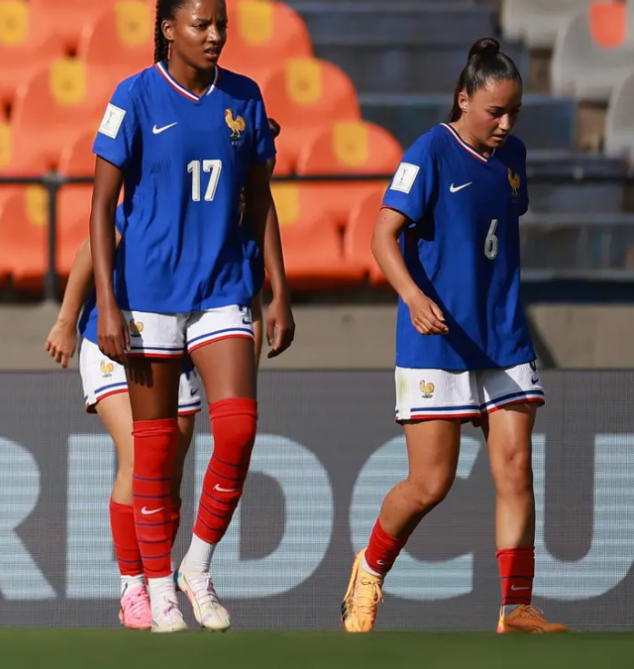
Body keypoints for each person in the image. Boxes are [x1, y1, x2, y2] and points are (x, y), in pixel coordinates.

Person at [340, 38, 567, 635]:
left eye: (514, 111)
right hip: (437, 339)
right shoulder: (429, 151)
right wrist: (414, 297)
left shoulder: (512, 155)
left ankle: (515, 607)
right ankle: (368, 571)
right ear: (463, 100)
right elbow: (383, 236)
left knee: (516, 468)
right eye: (494, 111)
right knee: (430, 483)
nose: (505, 122)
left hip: (503, 336)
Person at [88, 0, 294, 633]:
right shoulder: (134, 97)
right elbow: (99, 210)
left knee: (237, 430)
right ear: (168, 29)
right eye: (201, 24)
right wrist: (108, 301)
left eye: (221, 25)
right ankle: (157, 588)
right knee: (155, 454)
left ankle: (196, 567)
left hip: (225, 286)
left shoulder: (245, 98)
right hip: (149, 294)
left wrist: (277, 290)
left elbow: (259, 199)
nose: (214, 35)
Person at [44, 118, 281, 630]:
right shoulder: (164, 202)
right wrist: (66, 320)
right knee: (140, 453)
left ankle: (172, 574)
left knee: (169, 474)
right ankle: (134, 585)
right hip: (117, 333)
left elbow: (249, 305)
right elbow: (95, 241)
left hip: (188, 345)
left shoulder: (233, 229)